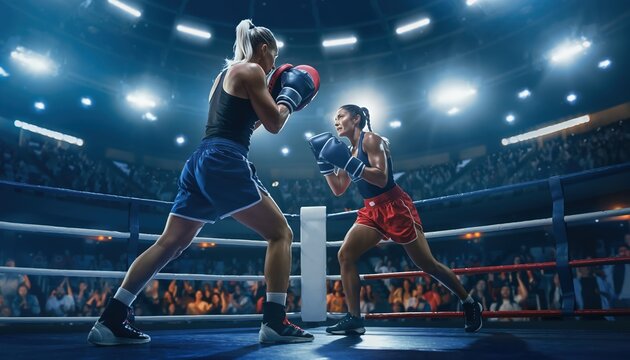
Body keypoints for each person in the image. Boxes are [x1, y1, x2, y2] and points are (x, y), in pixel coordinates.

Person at [88, 19, 318, 345]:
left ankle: (111, 318)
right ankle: (275, 321)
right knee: (281, 234)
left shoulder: (223, 77)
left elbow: (243, 124)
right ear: (264, 49)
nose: (274, 67)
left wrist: (271, 100)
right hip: (224, 159)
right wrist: (288, 99)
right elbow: (275, 124)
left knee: (170, 243)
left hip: (200, 160)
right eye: (274, 58)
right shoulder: (252, 70)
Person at [307, 105, 482, 335]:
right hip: (371, 211)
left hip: (394, 206)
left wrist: (350, 164)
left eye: (340, 116)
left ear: (356, 118)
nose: (336, 121)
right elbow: (339, 189)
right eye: (335, 118)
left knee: (427, 264)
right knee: (345, 255)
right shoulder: (348, 150)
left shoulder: (371, 140)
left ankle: (469, 302)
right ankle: (355, 319)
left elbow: (381, 178)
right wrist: (324, 165)